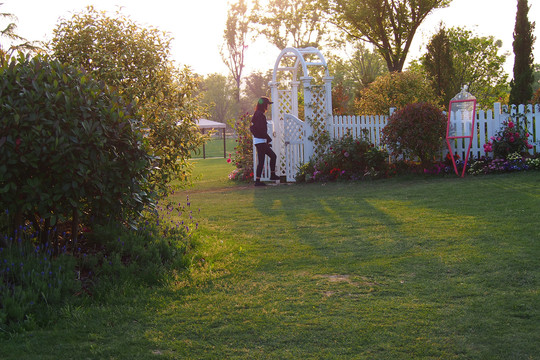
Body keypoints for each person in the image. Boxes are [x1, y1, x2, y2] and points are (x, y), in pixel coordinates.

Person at [250, 96, 280, 186]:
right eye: (268, 104)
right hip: (260, 141)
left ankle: (262, 179)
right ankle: (269, 176)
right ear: (264, 105)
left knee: (268, 158)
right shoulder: (260, 115)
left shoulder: (257, 114)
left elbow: (253, 128)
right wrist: (268, 139)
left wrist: (265, 140)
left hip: (259, 141)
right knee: (270, 157)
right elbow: (261, 130)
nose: (268, 106)